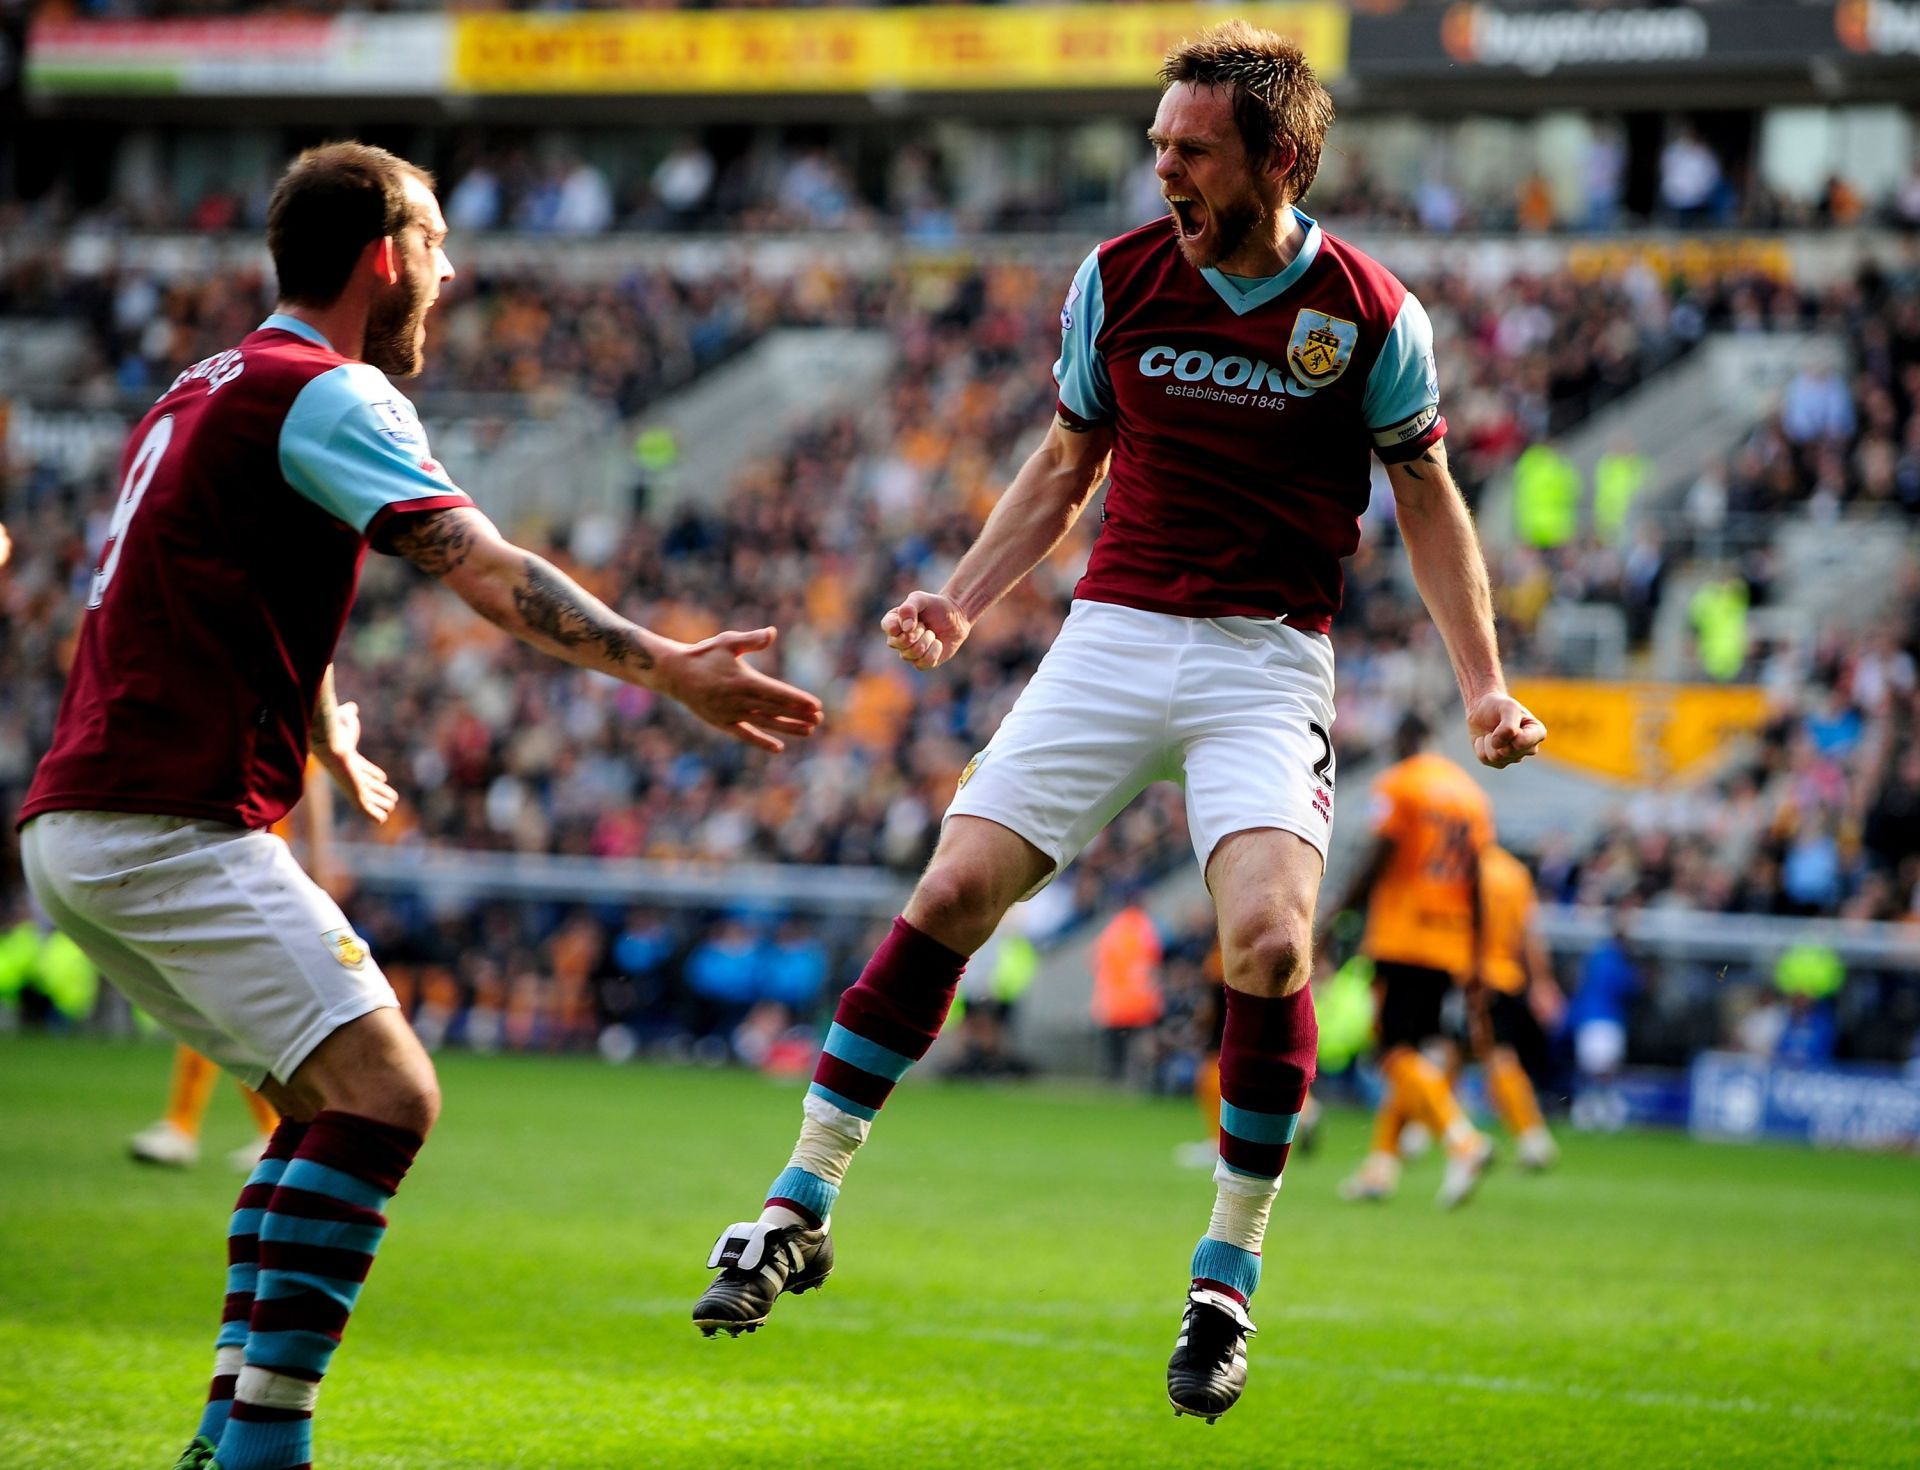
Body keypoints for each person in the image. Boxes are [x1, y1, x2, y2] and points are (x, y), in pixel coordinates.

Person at [690, 24, 1544, 1424]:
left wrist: (1482, 683)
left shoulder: (1373, 314)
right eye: (1156, 148)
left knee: (1267, 942)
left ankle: (1224, 1280)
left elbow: (1431, 503)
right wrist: (963, 600)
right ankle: (798, 1200)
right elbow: (1066, 461)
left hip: (1268, 663)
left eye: (1189, 151)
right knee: (956, 885)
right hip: (1114, 637)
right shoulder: (1116, 280)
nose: (1163, 173)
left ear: (1280, 159)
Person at [17, 142, 822, 1470]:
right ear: (382, 257)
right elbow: (491, 570)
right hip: (165, 817)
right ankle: (267, 1447)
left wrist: (318, 715)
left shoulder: (197, 387)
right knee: (392, 1092)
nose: (449, 275)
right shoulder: (331, 392)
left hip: (86, 822)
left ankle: (226, 1435)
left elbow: (207, 572)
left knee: (317, 1102)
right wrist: (668, 665)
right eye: (436, 246)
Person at [1327, 714, 1499, 1210]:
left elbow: (1379, 854)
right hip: (1448, 941)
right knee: (1410, 1054)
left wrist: (1338, 917)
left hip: (1402, 936)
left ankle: (1462, 1139)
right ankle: (1380, 1167)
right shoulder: (1471, 795)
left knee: (1395, 1054)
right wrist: (1478, 950)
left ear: (1402, 740)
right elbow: (1478, 882)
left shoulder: (1401, 785)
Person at [1470, 844, 1561, 1170]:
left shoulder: (1471, 868)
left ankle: (1531, 1138)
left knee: (1493, 1056)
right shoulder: (1516, 874)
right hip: (1508, 977)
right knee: (1475, 1053)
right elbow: (1530, 934)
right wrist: (1542, 982)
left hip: (1474, 975)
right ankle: (1419, 1134)